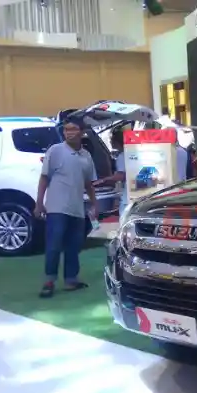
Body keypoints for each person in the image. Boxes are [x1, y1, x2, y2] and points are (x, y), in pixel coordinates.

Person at [35, 116, 97, 298]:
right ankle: (49, 281)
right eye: (66, 129)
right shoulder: (55, 151)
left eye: (73, 129)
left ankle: (71, 280)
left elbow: (88, 183)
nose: (69, 133)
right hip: (57, 207)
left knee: (73, 246)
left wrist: (94, 204)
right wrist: (39, 203)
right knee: (54, 245)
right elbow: (44, 177)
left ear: (82, 132)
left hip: (77, 208)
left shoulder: (86, 156)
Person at [93, 129, 127, 217]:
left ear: (116, 141)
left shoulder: (121, 156)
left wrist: (104, 180)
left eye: (111, 139)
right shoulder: (127, 153)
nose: (110, 141)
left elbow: (121, 176)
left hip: (127, 196)